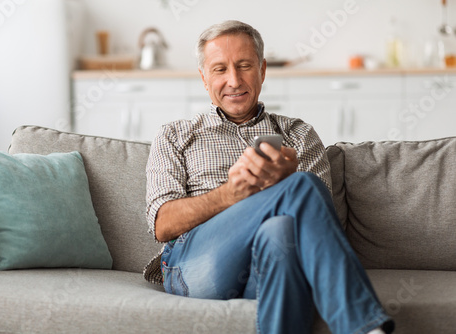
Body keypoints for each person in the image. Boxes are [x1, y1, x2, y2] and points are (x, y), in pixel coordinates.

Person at [143, 20, 394, 334]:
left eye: (244, 66)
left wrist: (280, 185)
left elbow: (322, 226)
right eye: (220, 69)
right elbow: (163, 224)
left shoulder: (297, 134)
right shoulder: (174, 136)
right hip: (196, 265)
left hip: (267, 265)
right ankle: (362, 327)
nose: (234, 81)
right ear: (204, 78)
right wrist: (231, 194)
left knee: (281, 230)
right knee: (300, 185)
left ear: (262, 70)